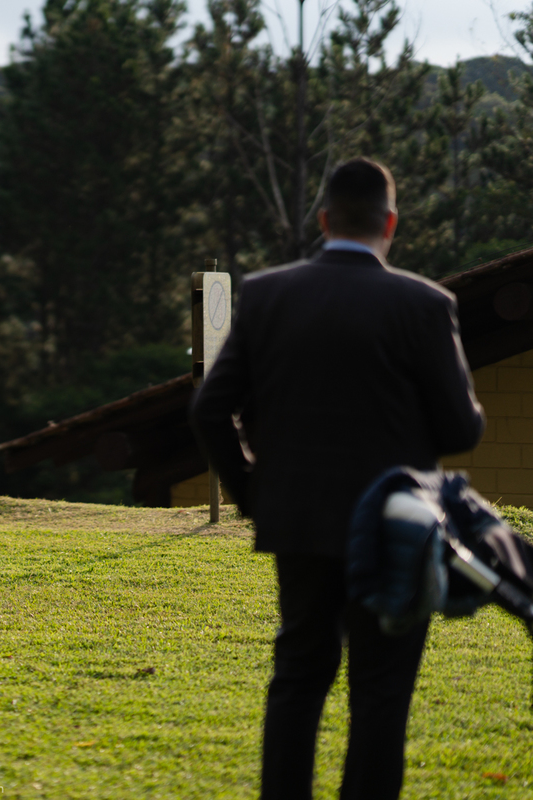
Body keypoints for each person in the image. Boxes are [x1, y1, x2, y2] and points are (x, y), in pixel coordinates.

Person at [190, 158, 484, 799]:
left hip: (297, 521)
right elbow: (461, 431)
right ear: (392, 224)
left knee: (297, 677)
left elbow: (210, 407)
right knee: (381, 694)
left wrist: (253, 495)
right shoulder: (426, 305)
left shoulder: (269, 293)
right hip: (396, 528)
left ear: (324, 219)